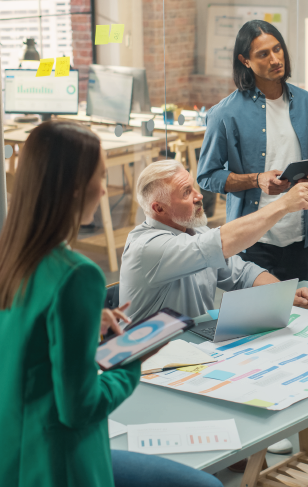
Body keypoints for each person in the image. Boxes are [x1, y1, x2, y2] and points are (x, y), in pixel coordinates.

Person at [0, 121, 221, 487]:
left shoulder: (12, 257)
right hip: (62, 464)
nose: (104, 189)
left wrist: (87, 324)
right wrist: (133, 357)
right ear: (73, 187)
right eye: (99, 176)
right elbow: (79, 408)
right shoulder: (76, 275)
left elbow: (26, 342)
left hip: (14, 453)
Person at [198, 20, 308, 283]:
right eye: (263, 54)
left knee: (298, 315)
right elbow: (207, 176)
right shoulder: (225, 113)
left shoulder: (304, 102)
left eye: (277, 49)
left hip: (297, 238)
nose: (275, 59)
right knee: (255, 321)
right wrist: (257, 180)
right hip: (252, 240)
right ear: (245, 61)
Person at [120, 159, 308, 323]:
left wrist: (284, 294)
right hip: (148, 361)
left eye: (193, 187)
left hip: (192, 347)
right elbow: (218, 243)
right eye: (186, 193)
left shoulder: (195, 230)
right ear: (159, 209)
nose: (199, 196)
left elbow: (242, 274)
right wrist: (283, 205)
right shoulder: (146, 248)